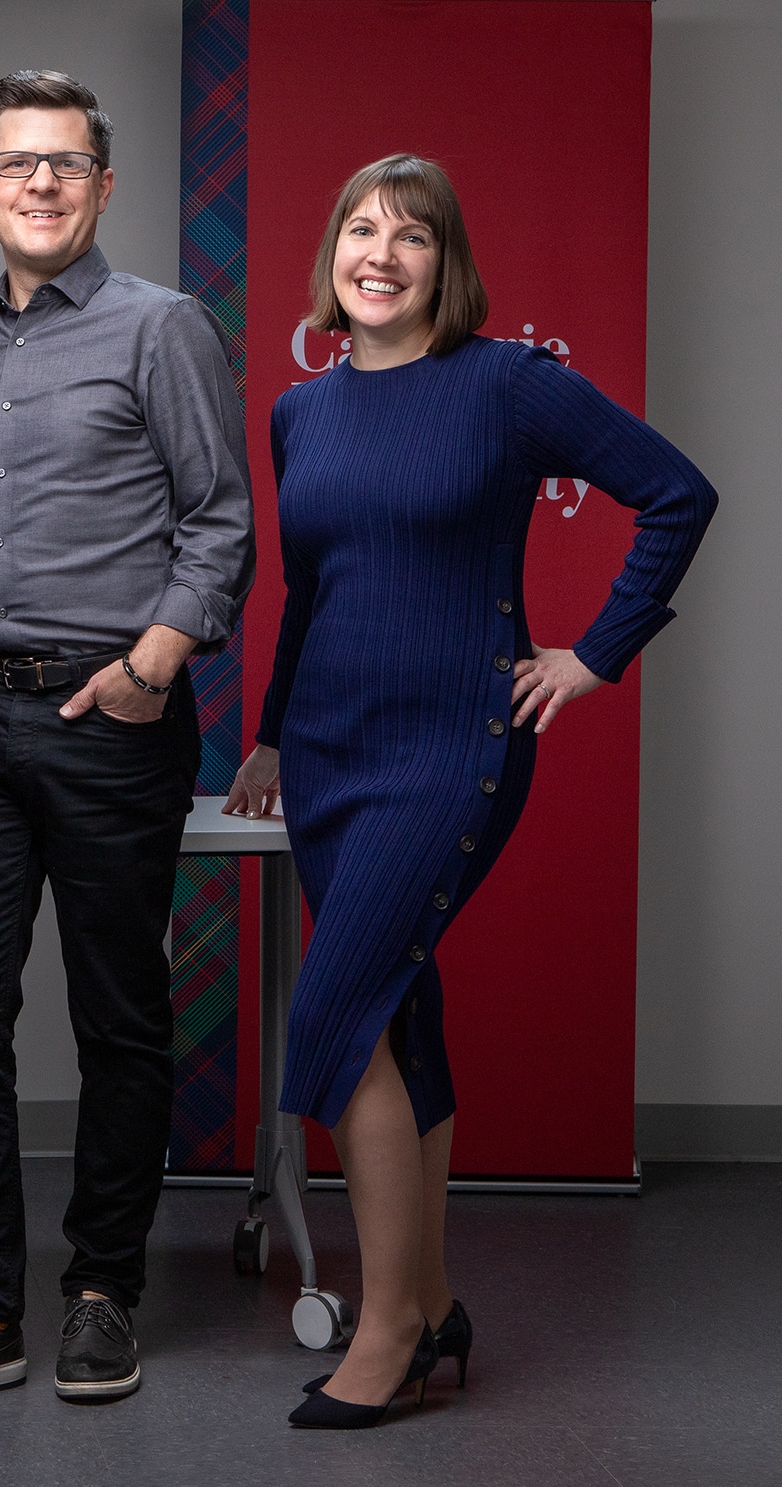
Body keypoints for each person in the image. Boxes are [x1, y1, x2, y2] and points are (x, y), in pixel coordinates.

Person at [223, 154, 715, 1429]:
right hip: (325, 752)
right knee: (393, 1017)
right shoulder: (299, 413)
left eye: (411, 235)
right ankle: (430, 1304)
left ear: (447, 262)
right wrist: (270, 738)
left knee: (335, 1017)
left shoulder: (506, 383)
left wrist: (594, 653)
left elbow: (676, 494)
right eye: (359, 229)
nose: (379, 254)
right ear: (331, 253)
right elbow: (312, 590)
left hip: (451, 746)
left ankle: (386, 1326)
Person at [0, 71, 254, 1417]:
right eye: (17, 163)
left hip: (112, 711)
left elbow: (219, 517)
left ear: (102, 184)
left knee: (118, 1012)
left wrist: (152, 665)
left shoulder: (164, 327)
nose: (41, 182)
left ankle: (102, 1289)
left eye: (67, 163)